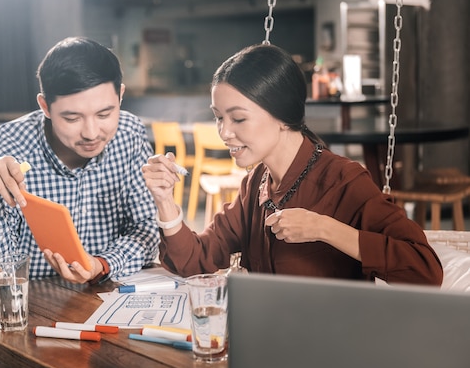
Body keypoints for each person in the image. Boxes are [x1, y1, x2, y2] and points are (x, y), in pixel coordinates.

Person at [142, 43, 443, 286]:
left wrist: (325, 228)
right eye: (219, 117)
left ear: (283, 116)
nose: (224, 132)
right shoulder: (254, 185)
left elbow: (426, 271)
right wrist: (165, 202)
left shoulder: (344, 181)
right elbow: (195, 260)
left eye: (238, 118)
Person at [0, 36, 160, 285]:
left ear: (120, 95)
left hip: (105, 297)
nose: (91, 133)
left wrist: (102, 264)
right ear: (45, 106)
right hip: (31, 307)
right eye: (72, 118)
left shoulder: (129, 134)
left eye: (104, 114)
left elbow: (147, 228)